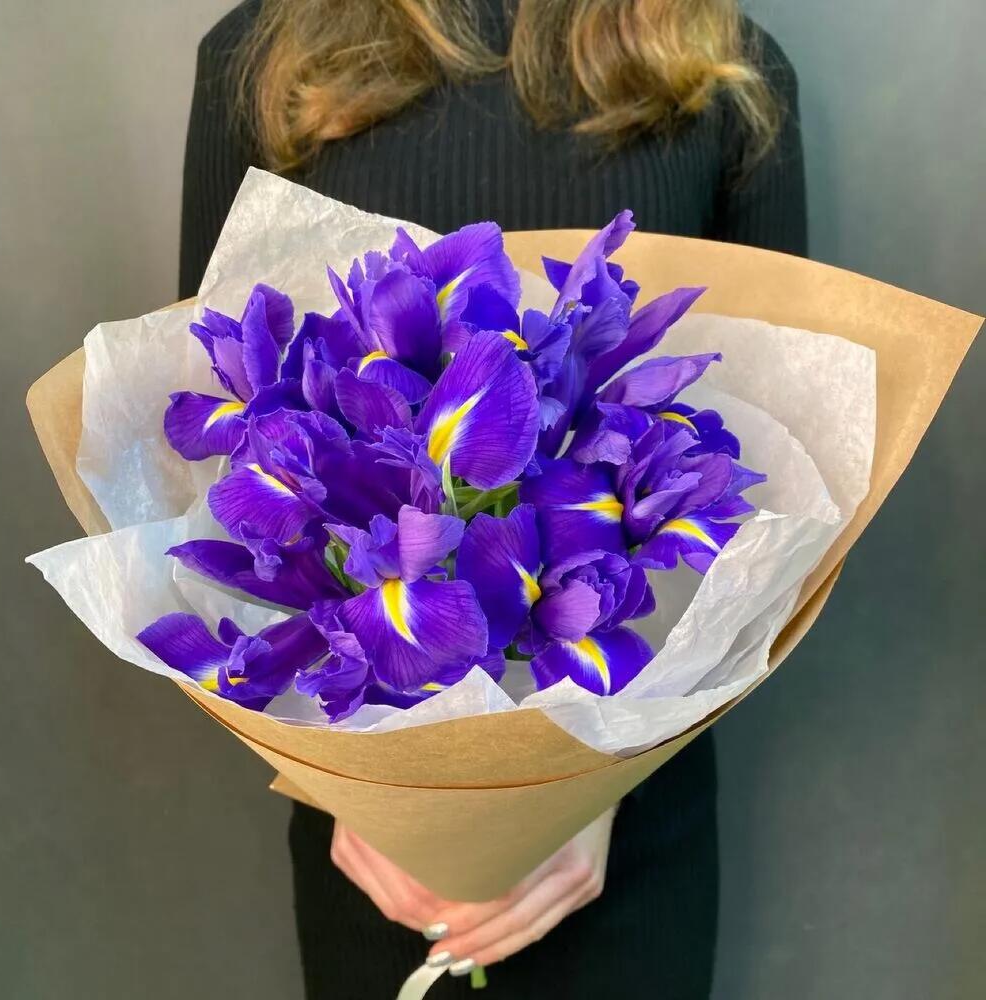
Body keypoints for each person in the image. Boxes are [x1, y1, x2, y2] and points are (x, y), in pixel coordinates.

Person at [179, 1, 806, 996]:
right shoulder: (259, 55)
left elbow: (776, 463)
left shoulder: (719, 63)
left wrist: (582, 788)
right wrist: (375, 795)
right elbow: (234, 441)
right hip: (375, 837)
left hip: (627, 811)